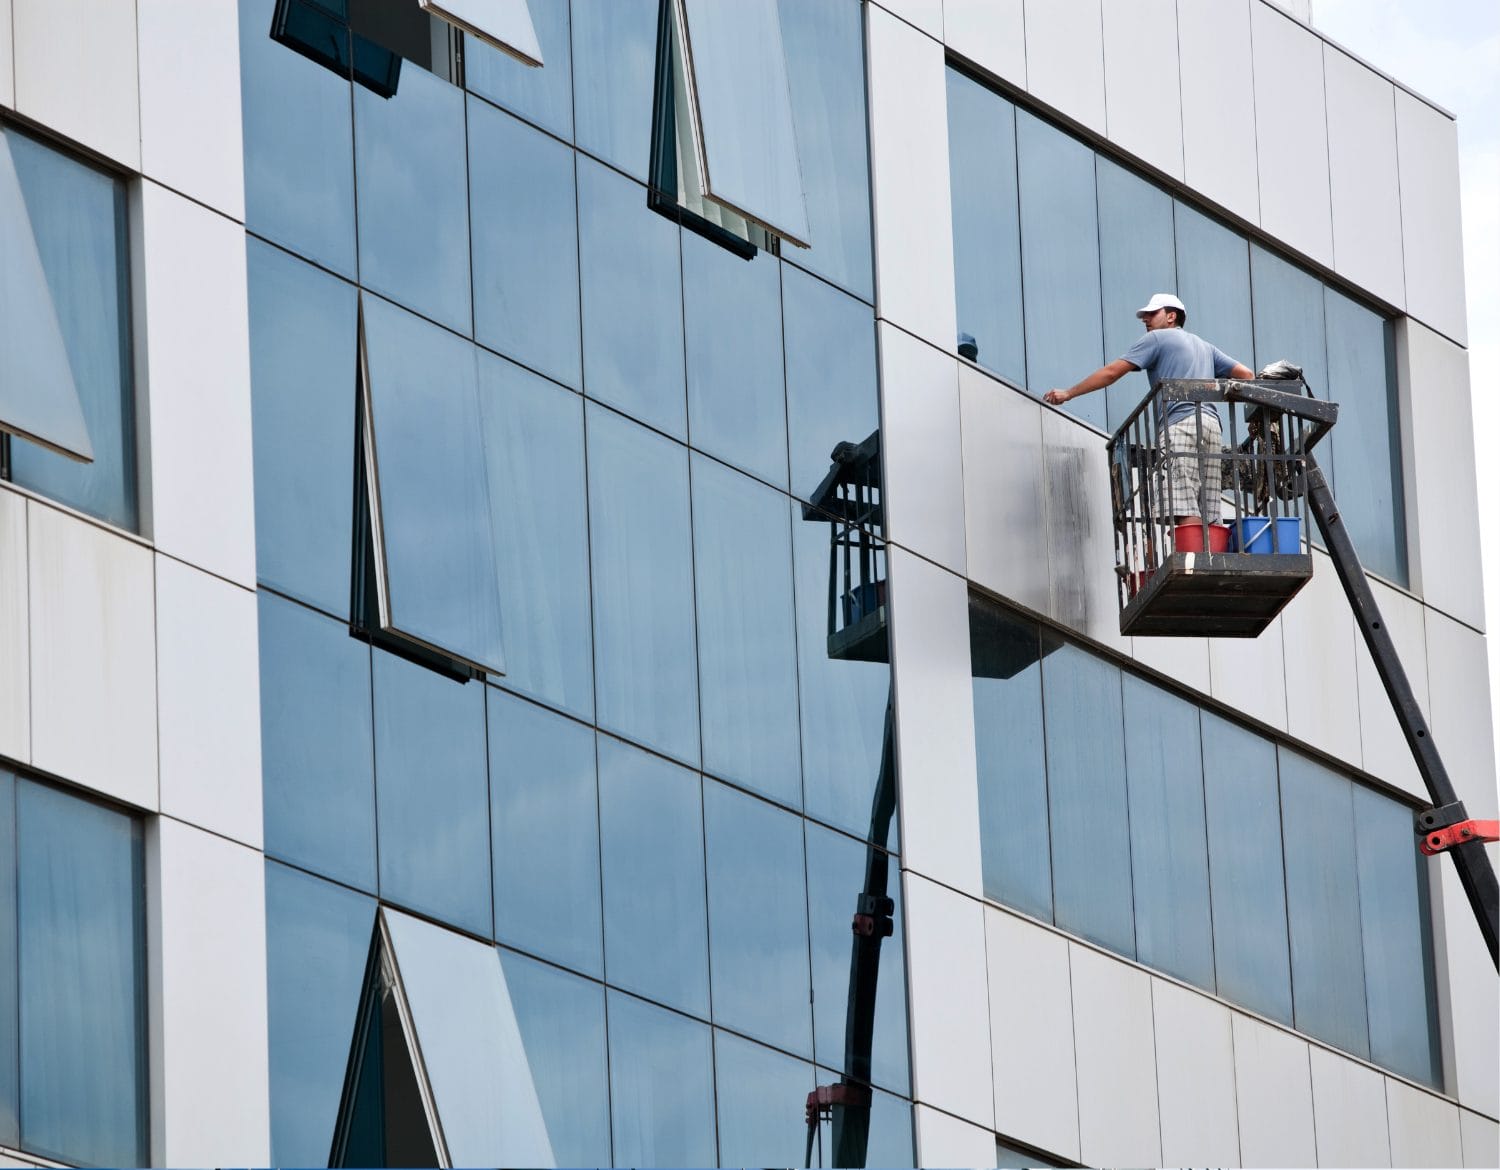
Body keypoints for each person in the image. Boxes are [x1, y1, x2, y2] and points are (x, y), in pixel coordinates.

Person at [1043, 293, 1254, 526]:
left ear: (1171, 316)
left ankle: (1192, 550)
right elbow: (1247, 375)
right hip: (1211, 426)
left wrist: (1069, 393)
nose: (1146, 319)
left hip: (1180, 425)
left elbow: (1111, 373)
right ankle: (1210, 549)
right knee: (1209, 508)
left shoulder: (1157, 338)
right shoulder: (1205, 347)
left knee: (1183, 505)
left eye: (1152, 313)